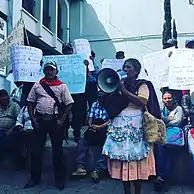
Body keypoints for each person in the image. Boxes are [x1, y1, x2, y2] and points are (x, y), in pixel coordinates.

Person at [102, 58, 156, 194]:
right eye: (124, 67)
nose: (125, 69)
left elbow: (142, 101)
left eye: (129, 67)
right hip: (119, 125)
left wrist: (124, 91)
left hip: (135, 126)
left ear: (136, 71)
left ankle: (137, 191)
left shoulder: (142, 85)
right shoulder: (118, 83)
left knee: (136, 159)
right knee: (122, 161)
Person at [25, 61, 74, 190]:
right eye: (47, 69)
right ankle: (35, 178)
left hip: (55, 121)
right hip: (40, 120)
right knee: (36, 151)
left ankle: (59, 180)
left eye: (51, 70)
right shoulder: (38, 85)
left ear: (56, 72)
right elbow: (30, 101)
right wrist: (32, 117)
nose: (49, 72)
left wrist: (62, 120)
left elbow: (69, 104)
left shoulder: (62, 86)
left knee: (57, 151)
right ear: (44, 71)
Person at [72, 91, 110, 183]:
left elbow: (111, 120)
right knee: (82, 143)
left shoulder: (110, 105)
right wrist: (91, 125)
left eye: (101, 97)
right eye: (98, 97)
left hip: (105, 129)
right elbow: (90, 118)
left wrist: (100, 127)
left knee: (107, 146)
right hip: (94, 128)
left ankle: (98, 170)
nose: (99, 99)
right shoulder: (94, 104)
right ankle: (80, 167)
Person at [154, 90, 183, 191]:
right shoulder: (161, 108)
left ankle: (163, 178)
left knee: (169, 157)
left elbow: (177, 121)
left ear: (173, 98)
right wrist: (168, 119)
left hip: (173, 137)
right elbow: (158, 119)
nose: (167, 100)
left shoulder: (178, 109)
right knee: (160, 155)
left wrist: (164, 121)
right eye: (165, 98)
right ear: (162, 99)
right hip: (161, 136)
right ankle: (160, 177)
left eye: (169, 98)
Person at [62, 43, 88, 142]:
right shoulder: (59, 62)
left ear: (72, 51)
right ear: (62, 51)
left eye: (69, 50)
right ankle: (64, 133)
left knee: (77, 114)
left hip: (78, 93)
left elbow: (89, 77)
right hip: (63, 93)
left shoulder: (80, 61)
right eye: (65, 50)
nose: (67, 52)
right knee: (63, 113)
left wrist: (86, 66)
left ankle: (77, 133)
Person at [0, 89, 23, 169]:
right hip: (1, 129)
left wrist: (11, 129)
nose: (4, 99)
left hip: (12, 129)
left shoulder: (14, 106)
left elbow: (19, 120)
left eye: (5, 97)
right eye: (2, 97)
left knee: (9, 141)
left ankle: (19, 162)